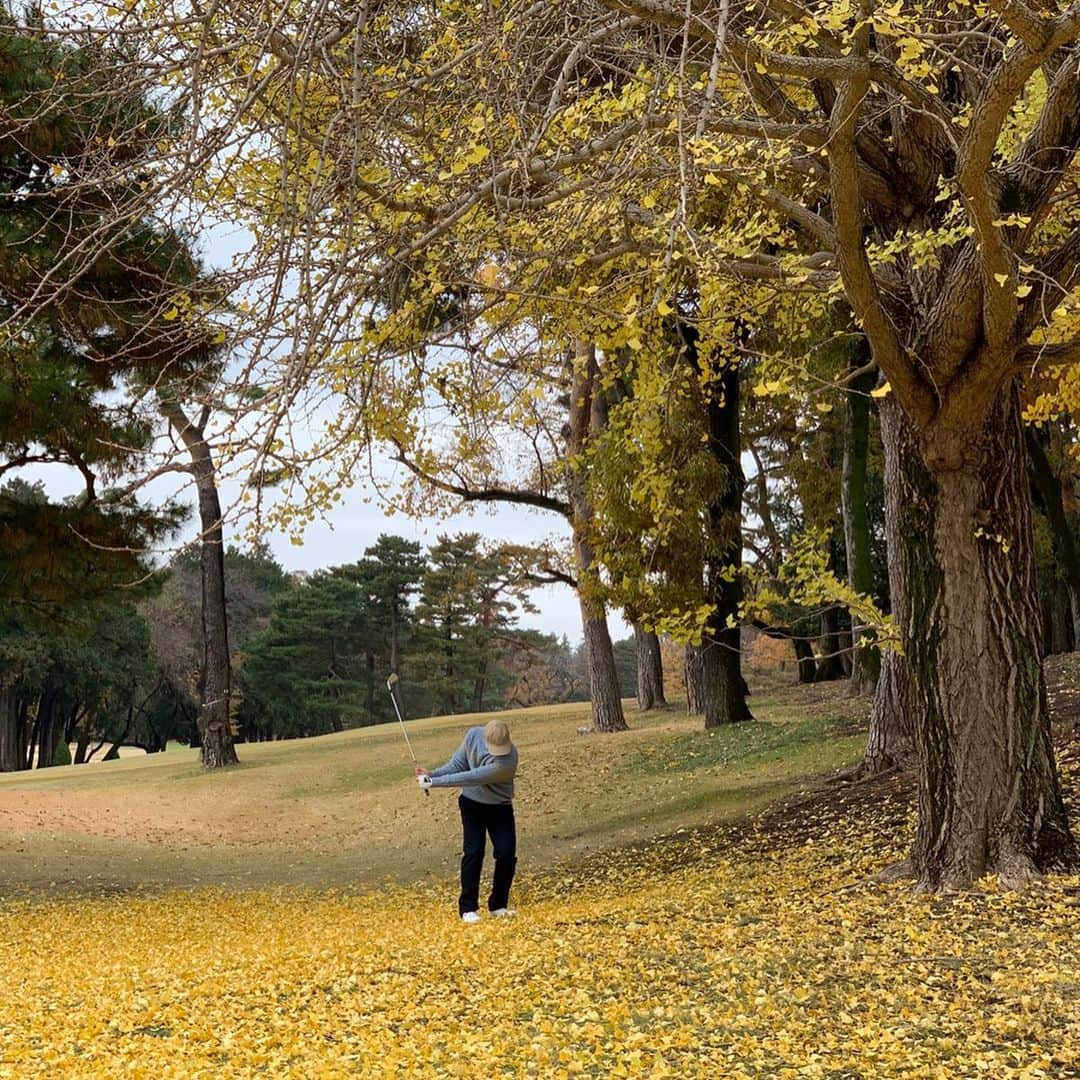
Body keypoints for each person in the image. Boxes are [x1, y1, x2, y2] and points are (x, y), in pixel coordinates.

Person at [416, 718, 519, 924]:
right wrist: (431, 774)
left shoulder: (507, 761)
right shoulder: (473, 736)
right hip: (472, 804)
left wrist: (433, 782)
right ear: (486, 739)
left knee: (506, 853)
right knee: (473, 851)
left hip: (500, 806)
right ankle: (468, 908)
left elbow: (471, 777)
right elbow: (458, 764)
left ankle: (498, 905)